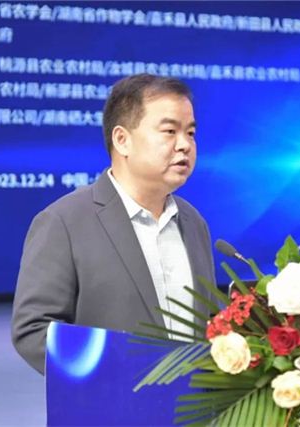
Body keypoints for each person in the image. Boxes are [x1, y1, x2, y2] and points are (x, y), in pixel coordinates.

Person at [11, 74, 216, 374]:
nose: (185, 145)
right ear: (122, 140)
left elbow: (208, 323)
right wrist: (109, 375)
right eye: (170, 131)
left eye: (191, 133)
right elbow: (33, 329)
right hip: (108, 398)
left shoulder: (193, 222)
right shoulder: (64, 222)